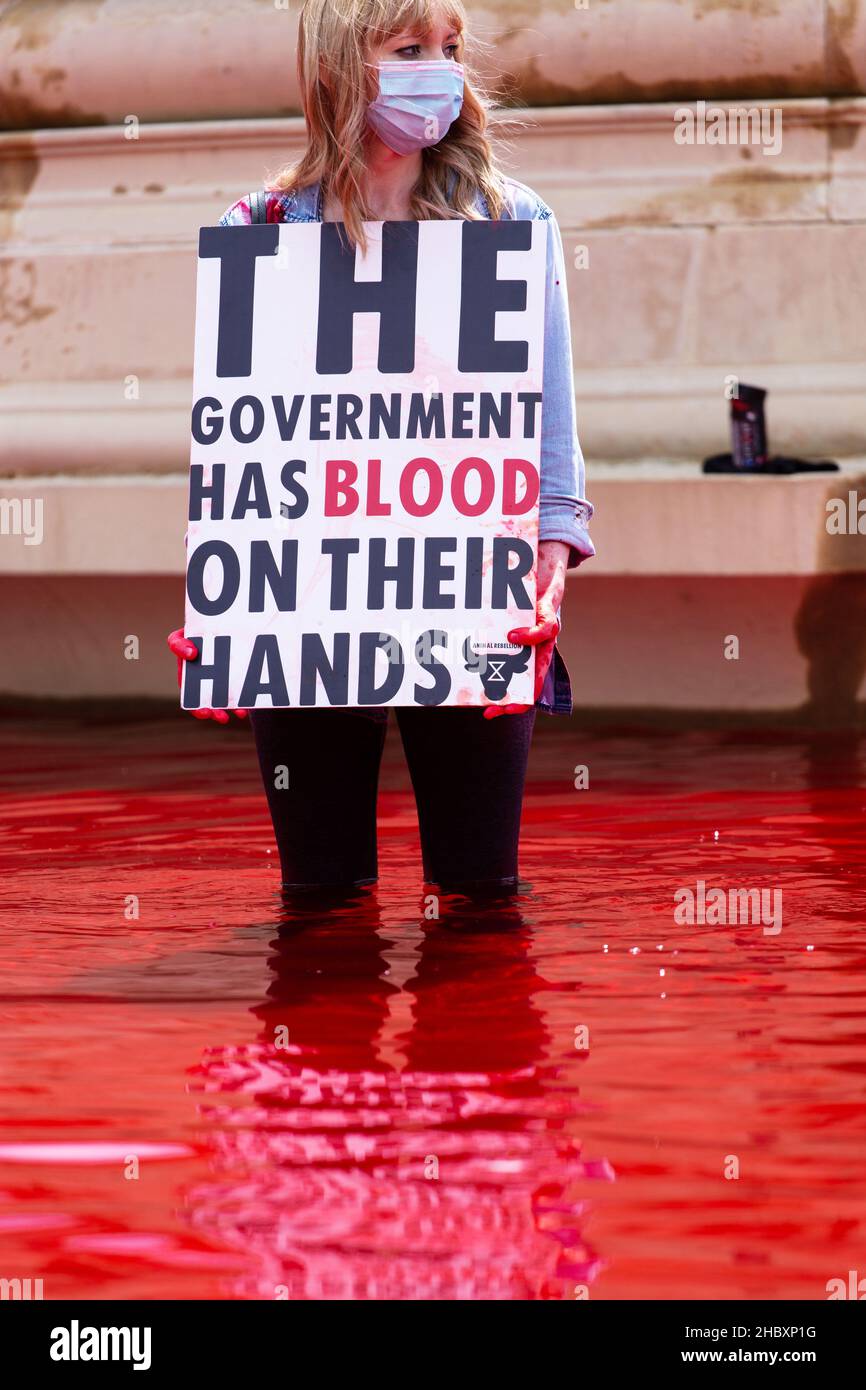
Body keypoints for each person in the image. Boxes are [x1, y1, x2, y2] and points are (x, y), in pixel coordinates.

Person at [169, 0, 594, 895]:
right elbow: (246, 445)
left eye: (450, 48)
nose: (438, 69)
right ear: (337, 68)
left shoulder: (511, 222)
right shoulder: (261, 229)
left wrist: (553, 552)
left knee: (481, 899)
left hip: (476, 590)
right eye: (408, 49)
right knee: (319, 905)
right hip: (308, 606)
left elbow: (549, 412)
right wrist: (226, 607)